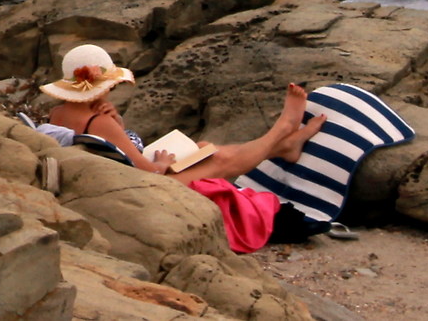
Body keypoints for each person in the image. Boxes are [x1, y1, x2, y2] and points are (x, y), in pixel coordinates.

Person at [34, 43, 336, 252]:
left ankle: (286, 145)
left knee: (204, 146)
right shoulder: (99, 121)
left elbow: (110, 150)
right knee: (216, 160)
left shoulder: (59, 115)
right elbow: (148, 169)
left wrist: (119, 125)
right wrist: (162, 161)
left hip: (117, 179)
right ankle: (282, 131)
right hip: (143, 186)